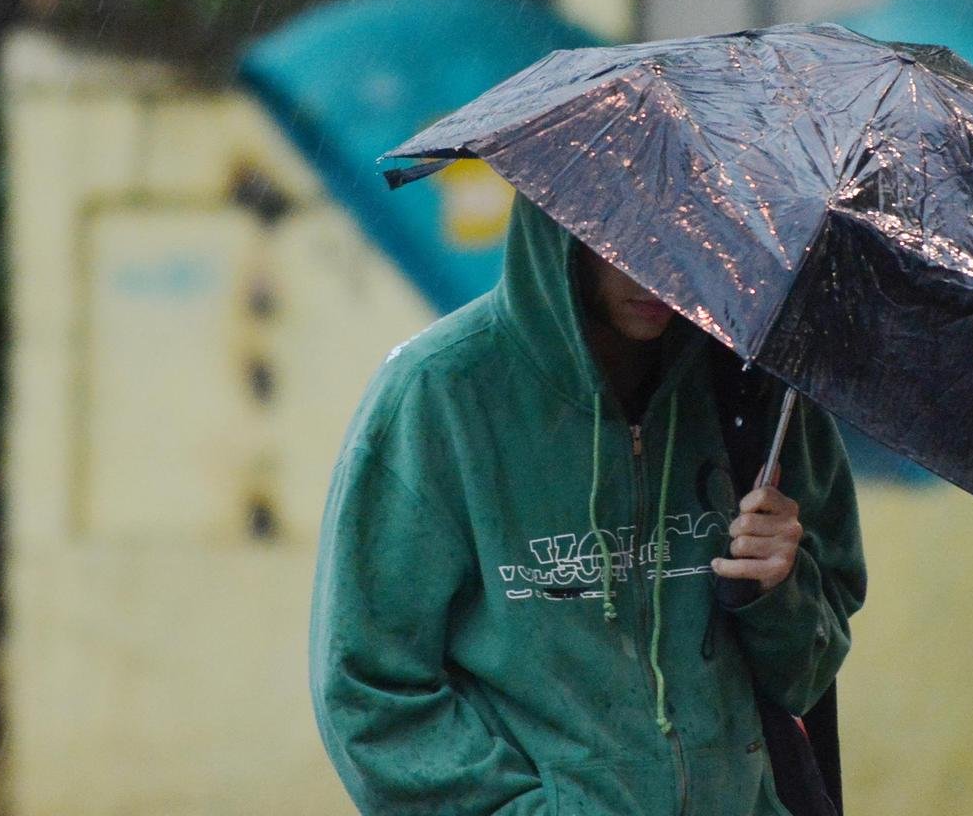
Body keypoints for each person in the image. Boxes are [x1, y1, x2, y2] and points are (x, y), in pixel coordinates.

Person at [310, 196, 866, 815]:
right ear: (558, 223)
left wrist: (777, 592)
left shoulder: (758, 394)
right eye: (626, 233)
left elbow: (807, 677)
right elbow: (369, 687)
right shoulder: (439, 395)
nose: (659, 267)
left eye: (686, 231)